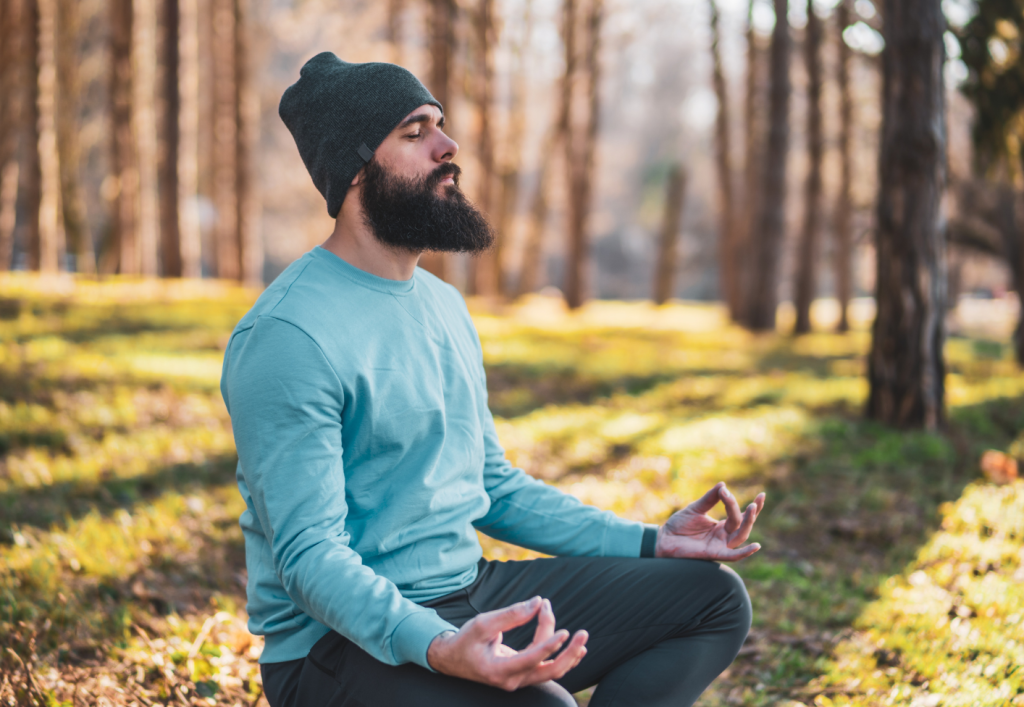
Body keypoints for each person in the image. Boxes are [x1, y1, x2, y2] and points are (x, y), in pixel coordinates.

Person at [220, 52, 766, 707]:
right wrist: (438, 645)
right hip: (334, 651)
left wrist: (652, 540)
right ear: (358, 168)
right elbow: (308, 555)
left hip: (466, 590)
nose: (449, 147)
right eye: (415, 133)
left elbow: (488, 484)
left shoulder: (442, 306)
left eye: (440, 125)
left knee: (709, 599)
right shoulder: (289, 334)